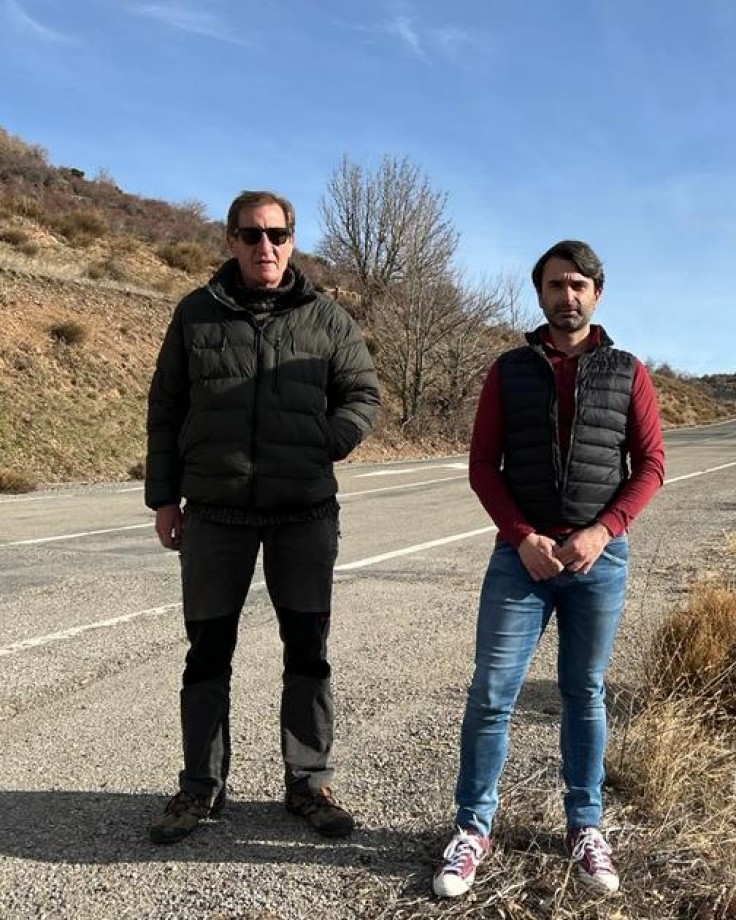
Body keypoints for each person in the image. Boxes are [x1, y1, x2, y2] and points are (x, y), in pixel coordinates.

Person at [144, 189, 381, 845]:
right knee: (207, 654)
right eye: (251, 235)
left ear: (293, 240)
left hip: (302, 514)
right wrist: (164, 497)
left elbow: (363, 393)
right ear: (230, 241)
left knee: (308, 652)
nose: (264, 247)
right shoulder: (196, 314)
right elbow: (165, 410)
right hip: (216, 515)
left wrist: (330, 438)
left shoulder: (326, 318)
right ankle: (200, 789)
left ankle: (308, 786)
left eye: (276, 234)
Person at [432, 240, 665, 898]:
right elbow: (484, 465)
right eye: (557, 284)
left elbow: (650, 466)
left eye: (580, 285)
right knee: (491, 693)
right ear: (539, 294)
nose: (568, 295)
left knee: (583, 695)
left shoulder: (629, 371)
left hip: (599, 559)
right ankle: (474, 828)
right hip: (521, 560)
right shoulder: (509, 370)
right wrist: (521, 536)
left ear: (597, 294)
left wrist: (604, 531)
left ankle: (585, 826)